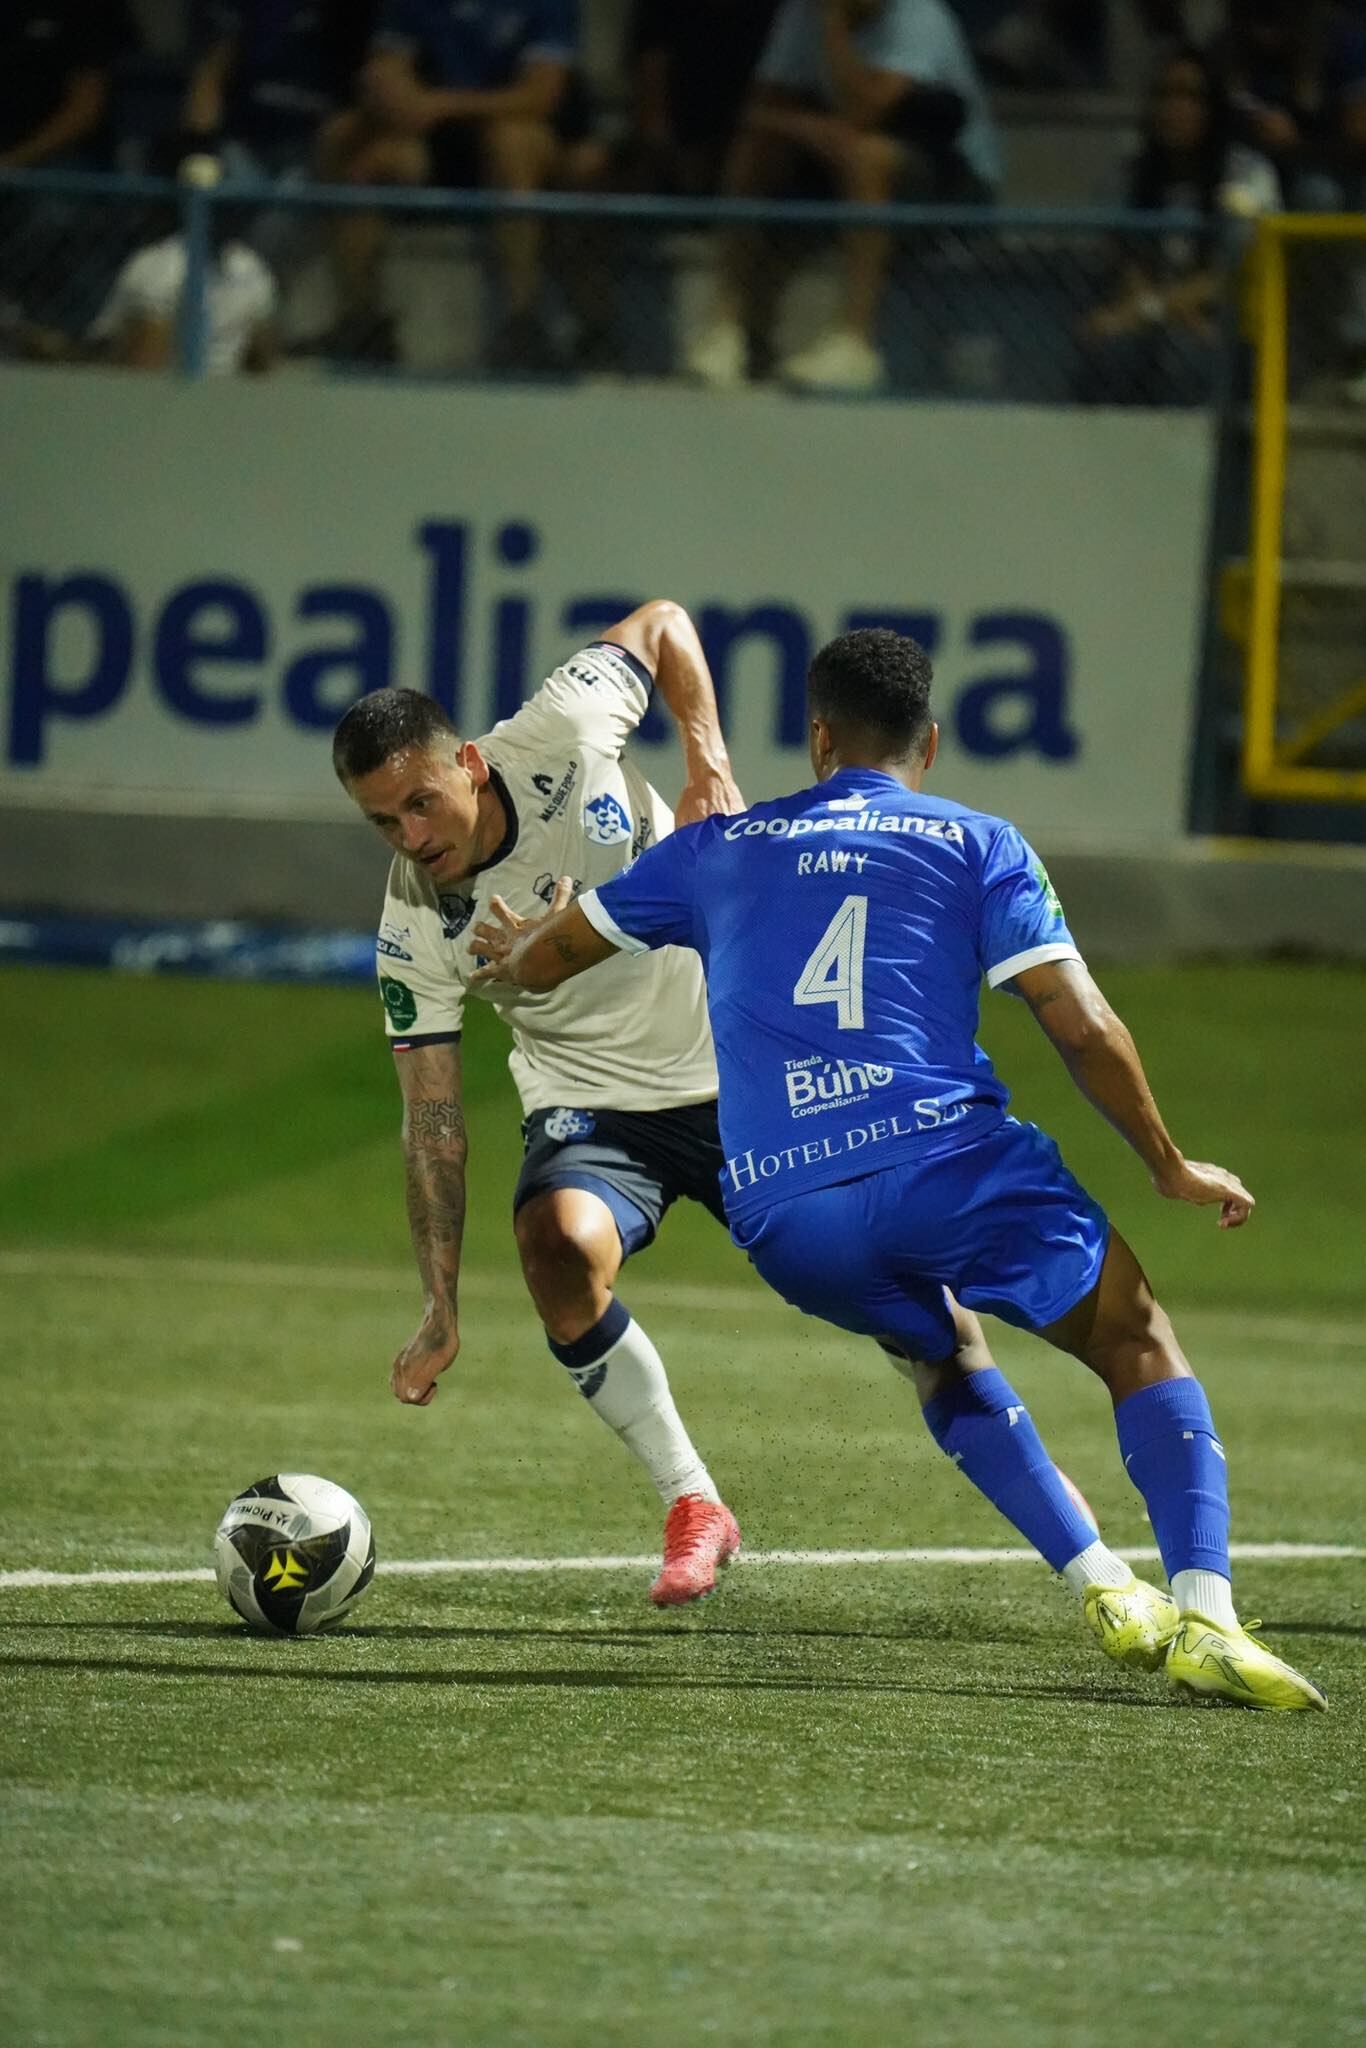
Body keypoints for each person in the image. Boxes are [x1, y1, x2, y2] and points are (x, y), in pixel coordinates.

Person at [472, 626, 1326, 1711]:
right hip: (947, 1162)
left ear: (817, 737)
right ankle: (1205, 1611)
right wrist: (1165, 1160)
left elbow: (549, 956)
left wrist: (512, 953)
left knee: (943, 1353)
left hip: (786, 1210)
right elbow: (1078, 1020)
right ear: (931, 741)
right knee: (1132, 1334)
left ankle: (1104, 1585)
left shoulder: (716, 848)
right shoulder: (977, 841)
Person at [331, 604, 749, 1606]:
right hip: (592, 1101)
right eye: (383, 821)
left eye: (421, 803)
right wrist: (440, 1304)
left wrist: (705, 762)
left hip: (737, 1063)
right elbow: (432, 1120)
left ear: (468, 762)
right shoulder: (414, 927)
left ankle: (1025, 1465)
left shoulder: (562, 727)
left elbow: (662, 626)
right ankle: (693, 1499)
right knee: (555, 1242)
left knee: (888, 1276)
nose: (411, 836)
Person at [686, 0, 1001, 394]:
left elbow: (864, 112)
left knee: (867, 157)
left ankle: (855, 344)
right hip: (843, 165)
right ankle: (727, 329)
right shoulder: (801, 12)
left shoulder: (920, 17)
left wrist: (832, 23)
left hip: (951, 182)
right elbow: (761, 108)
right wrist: (812, 128)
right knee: (758, 151)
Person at [316, 0, 584, 367]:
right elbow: (388, 67)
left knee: (511, 145)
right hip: (430, 141)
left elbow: (540, 96)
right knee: (344, 136)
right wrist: (389, 92)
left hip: (508, 131)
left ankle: (522, 322)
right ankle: (361, 319)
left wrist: (442, 104)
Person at [1076, 47, 1279, 406]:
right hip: (1151, 319)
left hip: (1222, 323)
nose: (1174, 107)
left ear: (1213, 107)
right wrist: (1160, 312)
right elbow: (1125, 263)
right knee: (1111, 349)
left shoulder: (1248, 174)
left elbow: (1229, 273)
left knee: (1189, 354)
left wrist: (1150, 310)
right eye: (1164, 95)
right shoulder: (1127, 177)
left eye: (1189, 95)